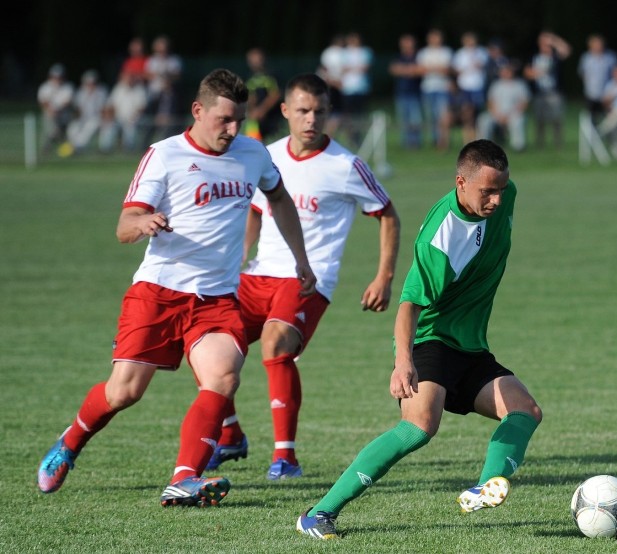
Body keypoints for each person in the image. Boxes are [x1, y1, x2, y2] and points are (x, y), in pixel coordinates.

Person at [36, 68, 316, 508]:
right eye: (224, 119)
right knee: (124, 391)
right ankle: (69, 442)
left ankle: (184, 477)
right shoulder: (163, 155)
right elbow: (123, 226)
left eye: (239, 120)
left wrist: (301, 259)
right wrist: (143, 222)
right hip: (159, 292)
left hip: (218, 298)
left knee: (223, 376)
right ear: (197, 111)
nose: (233, 129)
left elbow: (278, 198)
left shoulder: (253, 154)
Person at [296, 138, 542, 540]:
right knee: (419, 426)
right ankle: (319, 513)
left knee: (525, 410)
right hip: (429, 340)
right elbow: (409, 305)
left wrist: (498, 189)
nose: (497, 200)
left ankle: (485, 487)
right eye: (487, 192)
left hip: (471, 346)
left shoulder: (505, 193)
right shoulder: (441, 239)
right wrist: (403, 361)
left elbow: (498, 192)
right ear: (460, 182)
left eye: (501, 189)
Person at [205, 73, 401, 481]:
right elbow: (258, 211)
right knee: (206, 342)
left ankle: (285, 459)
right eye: (303, 111)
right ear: (285, 111)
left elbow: (387, 214)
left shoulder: (346, 165)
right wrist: (242, 258)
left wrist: (383, 277)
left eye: (320, 112)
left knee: (276, 346)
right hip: (259, 276)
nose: (312, 120)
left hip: (308, 279)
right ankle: (229, 434)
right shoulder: (266, 155)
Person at [523, 30, 571, 148]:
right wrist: (537, 73)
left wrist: (554, 39)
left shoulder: (555, 57)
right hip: (540, 92)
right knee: (540, 119)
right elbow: (526, 73)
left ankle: (558, 143)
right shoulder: (534, 57)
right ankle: (540, 143)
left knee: (557, 118)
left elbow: (567, 50)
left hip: (554, 92)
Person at [476, 61, 530, 152]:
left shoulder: (520, 85)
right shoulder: (496, 85)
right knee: (483, 119)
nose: (505, 73)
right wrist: (496, 114)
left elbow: (524, 102)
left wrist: (509, 115)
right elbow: (490, 101)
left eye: (508, 71)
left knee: (517, 121)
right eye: (503, 71)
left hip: (514, 113)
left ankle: (518, 146)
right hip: (497, 113)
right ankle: (483, 146)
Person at [416, 28, 454, 148]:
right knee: (430, 116)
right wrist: (437, 69)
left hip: (442, 88)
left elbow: (447, 70)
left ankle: (443, 142)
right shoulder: (423, 53)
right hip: (428, 88)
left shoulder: (446, 52)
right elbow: (420, 70)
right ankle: (435, 139)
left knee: (443, 116)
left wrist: (431, 69)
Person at [143, 35, 183, 144]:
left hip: (168, 96)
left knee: (168, 122)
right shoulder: (152, 60)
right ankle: (146, 144)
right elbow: (146, 75)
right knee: (151, 121)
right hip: (154, 95)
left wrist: (168, 78)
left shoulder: (174, 60)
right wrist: (157, 75)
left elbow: (177, 76)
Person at [452, 31, 489, 143]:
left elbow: (483, 65)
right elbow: (456, 70)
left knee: (478, 113)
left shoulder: (482, 52)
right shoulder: (460, 54)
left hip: (478, 87)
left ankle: (479, 138)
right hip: (465, 87)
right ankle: (467, 139)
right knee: (467, 113)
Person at [99, 69, 149, 153]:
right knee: (108, 126)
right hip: (118, 118)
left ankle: (129, 149)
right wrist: (109, 117)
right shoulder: (119, 88)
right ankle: (105, 149)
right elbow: (111, 104)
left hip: (134, 118)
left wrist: (133, 117)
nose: (128, 80)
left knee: (130, 127)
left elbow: (141, 107)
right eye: (126, 78)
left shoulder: (139, 89)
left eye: (130, 78)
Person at [389, 33, 423, 149]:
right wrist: (410, 70)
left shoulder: (418, 56)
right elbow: (394, 69)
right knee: (403, 118)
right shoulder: (398, 57)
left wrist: (403, 70)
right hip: (401, 92)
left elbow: (420, 70)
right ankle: (406, 142)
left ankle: (415, 142)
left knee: (415, 118)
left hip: (415, 92)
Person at [339, 31, 373, 146]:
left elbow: (365, 68)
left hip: (361, 88)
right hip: (348, 89)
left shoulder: (365, 52)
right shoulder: (344, 53)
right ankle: (351, 137)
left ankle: (360, 137)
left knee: (360, 114)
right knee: (349, 116)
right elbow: (343, 68)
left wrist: (351, 68)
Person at [64, 69, 109, 155]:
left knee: (90, 126)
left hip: (97, 118)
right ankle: (72, 146)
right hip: (83, 118)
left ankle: (77, 148)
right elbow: (78, 109)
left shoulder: (101, 92)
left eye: (93, 83)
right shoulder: (81, 93)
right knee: (73, 128)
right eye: (89, 83)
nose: (91, 85)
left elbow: (104, 108)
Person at [577, 34, 617, 123]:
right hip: (591, 93)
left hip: (607, 93)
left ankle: (607, 134)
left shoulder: (611, 57)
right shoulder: (586, 58)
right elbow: (582, 73)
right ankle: (593, 135)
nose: (598, 46)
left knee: (608, 116)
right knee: (591, 117)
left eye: (600, 44)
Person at [244, 47, 281, 142]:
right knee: (253, 144)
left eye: (257, 59)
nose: (255, 62)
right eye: (252, 60)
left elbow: (275, 95)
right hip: (255, 121)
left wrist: (261, 110)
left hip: (272, 119)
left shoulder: (271, 75)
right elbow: (251, 96)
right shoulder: (250, 77)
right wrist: (251, 111)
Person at [37, 63, 75, 152]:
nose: (57, 79)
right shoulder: (45, 87)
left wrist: (57, 110)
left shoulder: (68, 87)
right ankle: (47, 148)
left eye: (59, 77)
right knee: (52, 131)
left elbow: (67, 101)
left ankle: (65, 148)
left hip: (64, 115)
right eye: (55, 77)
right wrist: (50, 110)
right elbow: (42, 101)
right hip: (49, 114)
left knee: (66, 133)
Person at [318, 34, 346, 137]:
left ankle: (329, 135)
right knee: (334, 113)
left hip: (336, 86)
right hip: (332, 86)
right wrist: (333, 81)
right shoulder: (331, 53)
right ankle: (328, 135)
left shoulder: (340, 52)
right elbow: (325, 68)